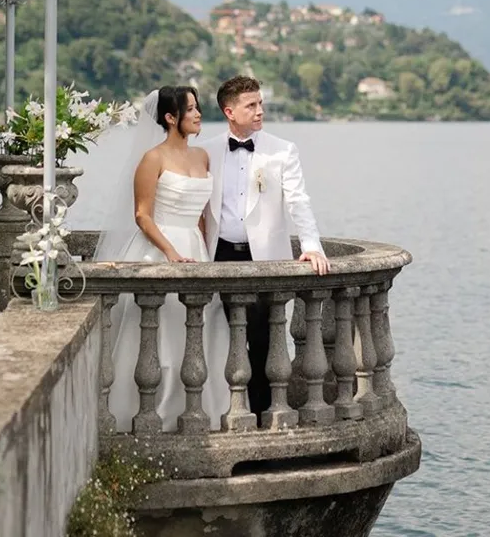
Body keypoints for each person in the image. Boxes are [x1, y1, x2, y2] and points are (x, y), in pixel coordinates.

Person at [93, 86, 230, 432]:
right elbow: (142, 215)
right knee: (161, 332)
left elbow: (202, 215)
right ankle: (147, 414)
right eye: (190, 110)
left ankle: (197, 411)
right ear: (171, 118)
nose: (198, 114)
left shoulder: (202, 157)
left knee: (196, 332)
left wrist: (201, 250)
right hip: (160, 247)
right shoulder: (152, 159)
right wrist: (170, 252)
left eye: (198, 108)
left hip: (196, 249)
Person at [198, 75, 329, 418]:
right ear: (229, 111)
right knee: (216, 339)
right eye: (251, 105)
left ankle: (260, 417)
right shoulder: (206, 150)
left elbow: (299, 201)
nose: (259, 111)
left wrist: (312, 245)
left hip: (264, 259)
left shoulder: (283, 150)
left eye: (261, 104)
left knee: (262, 343)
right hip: (217, 256)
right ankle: (219, 414)